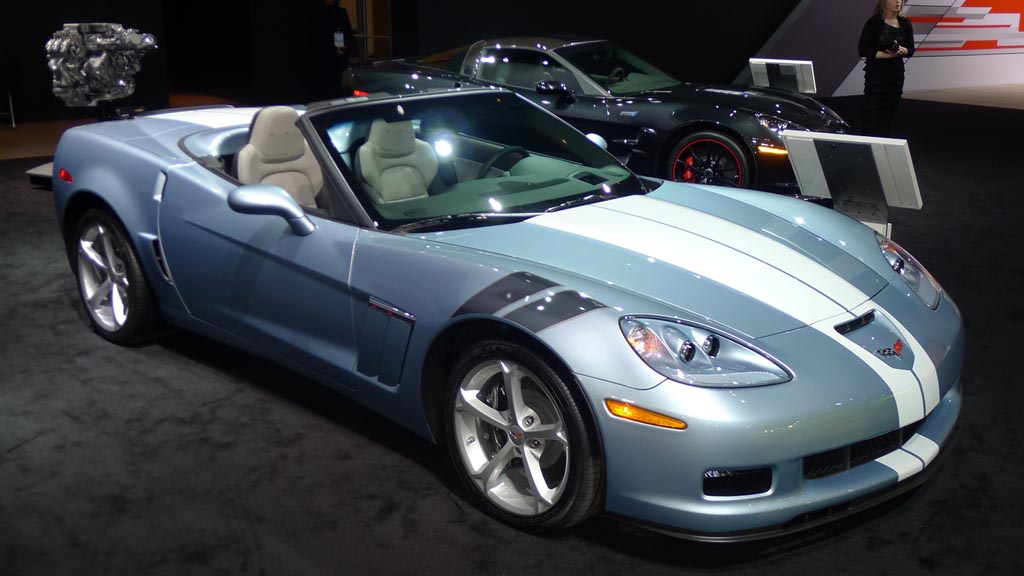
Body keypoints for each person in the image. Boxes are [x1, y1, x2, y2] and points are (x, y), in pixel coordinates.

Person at [858, 0, 915, 136]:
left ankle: (884, 141)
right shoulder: (874, 23)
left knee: (889, 113)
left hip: (895, 75)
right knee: (872, 113)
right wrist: (886, 55)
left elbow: (911, 49)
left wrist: (903, 50)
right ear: (884, 2)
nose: (898, 2)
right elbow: (863, 49)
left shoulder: (905, 23)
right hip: (876, 75)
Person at [313, 0, 354, 100]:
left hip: (340, 59)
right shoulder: (317, 13)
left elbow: (348, 32)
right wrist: (332, 49)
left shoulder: (341, 12)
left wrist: (346, 46)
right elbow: (316, 37)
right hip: (325, 60)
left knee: (340, 87)